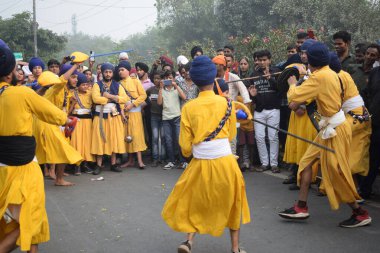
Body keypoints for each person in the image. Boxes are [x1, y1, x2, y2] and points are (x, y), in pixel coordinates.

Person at [161, 56, 250, 253]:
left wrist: (190, 151)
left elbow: (184, 145)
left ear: (194, 78)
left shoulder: (189, 107)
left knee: (193, 200)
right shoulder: (226, 103)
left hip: (200, 162)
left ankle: (188, 242)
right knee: (233, 202)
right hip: (225, 162)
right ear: (213, 78)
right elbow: (232, 134)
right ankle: (235, 249)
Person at [278, 42, 372, 228]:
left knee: (335, 173)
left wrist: (291, 83)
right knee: (306, 162)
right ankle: (301, 206)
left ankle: (360, 213)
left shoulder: (320, 77)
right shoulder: (329, 72)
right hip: (330, 127)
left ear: (311, 61)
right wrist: (304, 76)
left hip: (336, 129)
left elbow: (293, 98)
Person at [0, 45, 73, 252]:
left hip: (2, 167)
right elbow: (53, 114)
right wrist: (67, 120)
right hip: (22, 168)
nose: (19, 73)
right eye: (16, 69)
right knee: (31, 217)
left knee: (20, 218)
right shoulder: (21, 93)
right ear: (8, 73)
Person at [91, 63, 128, 174]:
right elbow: (95, 99)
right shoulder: (96, 85)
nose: (108, 74)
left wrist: (110, 96)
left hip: (114, 117)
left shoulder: (118, 85)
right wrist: (112, 99)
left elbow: (125, 98)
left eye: (110, 72)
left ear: (113, 73)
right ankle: (98, 165)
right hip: (101, 117)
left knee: (114, 139)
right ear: (102, 73)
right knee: (99, 139)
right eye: (106, 72)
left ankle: (113, 164)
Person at [248, 49, 281, 173]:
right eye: (260, 60)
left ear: (269, 60)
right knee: (259, 137)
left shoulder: (277, 72)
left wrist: (270, 79)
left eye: (264, 60)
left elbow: (281, 89)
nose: (262, 62)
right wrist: (253, 95)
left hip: (273, 109)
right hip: (259, 110)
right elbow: (253, 95)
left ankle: (274, 164)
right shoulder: (253, 74)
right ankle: (264, 163)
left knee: (273, 137)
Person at [118, 61, 147, 169]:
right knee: (127, 135)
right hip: (125, 113)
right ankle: (130, 160)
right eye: (119, 70)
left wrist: (133, 104)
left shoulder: (135, 81)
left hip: (135, 112)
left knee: (137, 135)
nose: (120, 72)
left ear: (128, 70)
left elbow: (143, 95)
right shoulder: (119, 83)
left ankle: (140, 161)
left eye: (122, 70)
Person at [157, 70, 186, 169]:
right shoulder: (162, 90)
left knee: (179, 139)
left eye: (170, 78)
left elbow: (184, 97)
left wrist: (176, 86)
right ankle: (171, 161)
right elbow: (159, 103)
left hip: (177, 116)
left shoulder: (176, 88)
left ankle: (183, 161)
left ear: (174, 78)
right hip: (166, 118)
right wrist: (161, 88)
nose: (168, 80)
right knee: (168, 140)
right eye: (166, 78)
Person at [359, 64, 380, 199]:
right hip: (375, 123)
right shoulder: (375, 72)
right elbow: (366, 93)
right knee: (372, 158)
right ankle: (364, 190)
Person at [69, 73, 95, 175]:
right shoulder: (72, 94)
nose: (85, 87)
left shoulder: (90, 93)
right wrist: (73, 103)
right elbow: (69, 111)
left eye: (86, 84)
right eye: (82, 85)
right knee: (77, 142)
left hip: (88, 121)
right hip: (77, 121)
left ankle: (85, 164)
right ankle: (77, 165)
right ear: (77, 85)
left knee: (87, 142)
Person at [147, 71, 166, 167]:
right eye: (155, 78)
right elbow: (145, 97)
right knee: (154, 138)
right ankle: (155, 158)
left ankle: (162, 158)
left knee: (163, 138)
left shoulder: (165, 90)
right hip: (153, 116)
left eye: (159, 78)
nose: (156, 80)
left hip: (164, 116)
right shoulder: (150, 90)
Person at [136, 62, 154, 155]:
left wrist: (143, 105)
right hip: (135, 108)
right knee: (138, 130)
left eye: (140, 70)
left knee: (148, 128)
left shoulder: (151, 83)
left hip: (147, 109)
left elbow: (151, 98)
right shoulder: (135, 82)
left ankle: (151, 149)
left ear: (145, 71)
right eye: (137, 70)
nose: (138, 72)